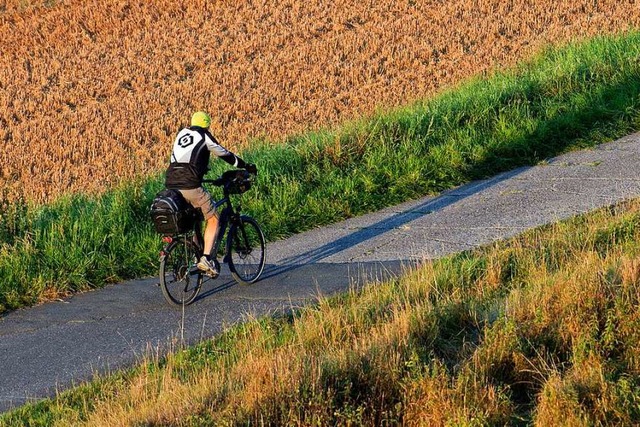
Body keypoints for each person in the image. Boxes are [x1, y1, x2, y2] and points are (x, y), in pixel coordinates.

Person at [165, 111, 256, 278]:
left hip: (171, 184)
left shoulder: (182, 133)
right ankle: (206, 259)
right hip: (190, 184)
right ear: (207, 125)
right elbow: (224, 154)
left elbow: (184, 158)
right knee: (213, 217)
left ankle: (194, 253)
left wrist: (202, 170)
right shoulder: (204, 136)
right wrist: (245, 165)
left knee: (195, 217)